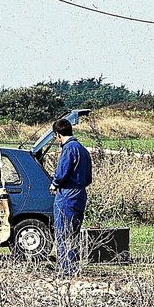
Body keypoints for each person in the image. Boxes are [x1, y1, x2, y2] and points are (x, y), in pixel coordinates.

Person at [49, 118, 92, 276]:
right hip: (80, 193)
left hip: (67, 194)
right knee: (74, 232)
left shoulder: (68, 149)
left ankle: (66, 270)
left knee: (63, 231)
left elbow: (61, 172)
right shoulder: (82, 149)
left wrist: (55, 184)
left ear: (57, 134)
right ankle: (73, 267)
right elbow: (88, 178)